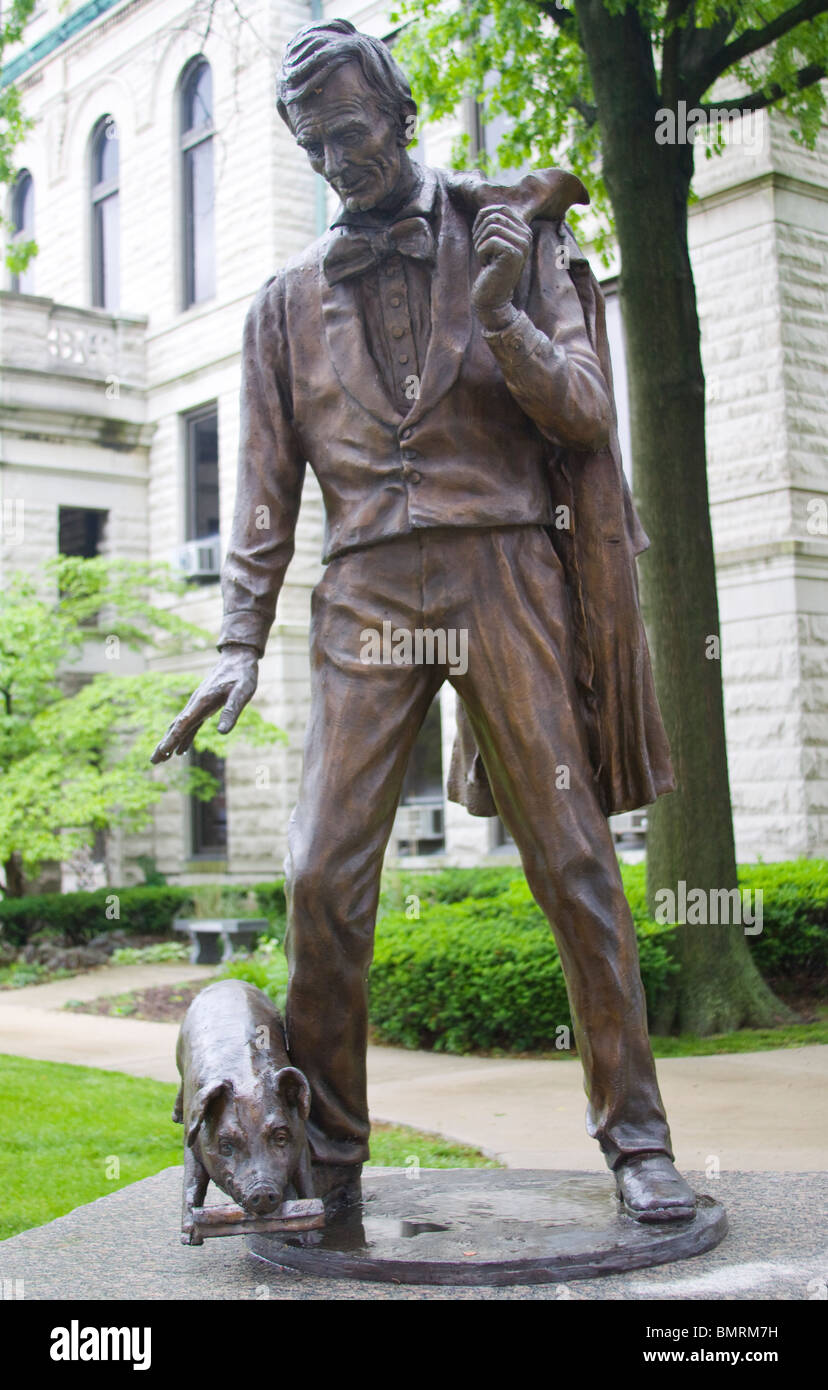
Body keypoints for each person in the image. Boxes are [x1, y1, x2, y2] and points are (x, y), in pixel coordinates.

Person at [153, 19, 696, 1224]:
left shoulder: (512, 233)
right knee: (318, 873)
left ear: (398, 109)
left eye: (354, 131)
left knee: (573, 860)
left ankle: (640, 1141)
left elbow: (588, 415)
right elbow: (262, 491)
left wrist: (503, 312)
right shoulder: (284, 305)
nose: (341, 160)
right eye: (317, 145)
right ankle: (329, 1153)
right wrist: (238, 638)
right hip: (365, 592)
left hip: (503, 570)